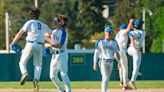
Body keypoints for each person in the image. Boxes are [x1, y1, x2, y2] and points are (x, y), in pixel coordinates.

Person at [10, 7, 52, 92]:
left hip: (30, 44)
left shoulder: (29, 22)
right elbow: (50, 35)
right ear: (38, 15)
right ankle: (36, 80)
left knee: (22, 62)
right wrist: (51, 45)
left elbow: (20, 32)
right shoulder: (43, 25)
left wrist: (13, 43)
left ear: (30, 15)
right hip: (39, 46)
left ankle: (24, 73)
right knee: (38, 65)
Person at [44, 15, 71, 92]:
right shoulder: (54, 31)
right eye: (54, 21)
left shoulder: (63, 32)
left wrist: (50, 45)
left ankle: (69, 90)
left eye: (56, 21)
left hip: (62, 54)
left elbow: (60, 45)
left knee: (63, 74)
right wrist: (46, 37)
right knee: (52, 76)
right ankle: (62, 90)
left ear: (61, 22)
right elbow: (51, 40)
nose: (54, 22)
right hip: (54, 55)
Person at [93, 26, 120, 92]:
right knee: (105, 77)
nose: (108, 34)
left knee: (107, 78)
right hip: (103, 61)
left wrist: (119, 62)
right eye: (107, 32)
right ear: (105, 33)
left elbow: (117, 53)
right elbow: (96, 53)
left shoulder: (114, 42)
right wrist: (95, 63)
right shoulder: (100, 41)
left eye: (109, 32)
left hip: (111, 62)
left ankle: (104, 90)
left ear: (111, 33)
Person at [115, 19, 134, 90]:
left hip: (116, 52)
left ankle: (121, 81)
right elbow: (128, 29)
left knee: (121, 67)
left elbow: (129, 29)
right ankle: (125, 85)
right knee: (125, 68)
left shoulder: (118, 34)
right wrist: (130, 22)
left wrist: (131, 26)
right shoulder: (122, 31)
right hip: (121, 51)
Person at [127, 19, 146, 89]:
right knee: (136, 66)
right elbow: (139, 30)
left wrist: (132, 26)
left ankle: (136, 72)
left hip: (129, 49)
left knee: (136, 66)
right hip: (136, 50)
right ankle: (133, 80)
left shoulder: (131, 32)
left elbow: (131, 38)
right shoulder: (144, 32)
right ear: (140, 26)